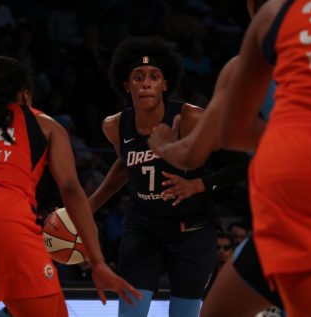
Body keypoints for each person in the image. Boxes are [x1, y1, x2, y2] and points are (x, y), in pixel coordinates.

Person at [150, 0, 311, 316]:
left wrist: (163, 146)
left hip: (295, 178)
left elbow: (203, 147)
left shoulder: (273, 16)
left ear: (251, 7)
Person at [0, 56, 141, 317]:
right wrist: (97, 261)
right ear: (25, 95)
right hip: (6, 215)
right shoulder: (46, 125)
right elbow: (71, 189)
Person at [88, 36, 218, 317]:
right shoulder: (114, 126)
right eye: (138, 77)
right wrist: (89, 206)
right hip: (143, 230)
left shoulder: (190, 119)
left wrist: (198, 184)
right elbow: (125, 164)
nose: (146, 83)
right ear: (126, 85)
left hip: (190, 232)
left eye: (154, 76)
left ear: (165, 84)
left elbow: (231, 165)